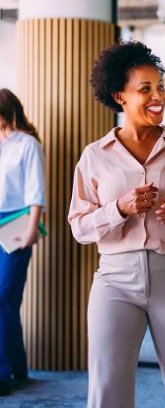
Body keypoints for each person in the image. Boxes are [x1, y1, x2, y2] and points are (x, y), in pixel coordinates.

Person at [67, 42, 165, 408]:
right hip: (115, 281)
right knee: (107, 392)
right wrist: (119, 207)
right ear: (120, 96)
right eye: (145, 89)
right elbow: (80, 227)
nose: (158, 96)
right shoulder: (94, 156)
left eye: (160, 86)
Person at [0, 88, 45, 396]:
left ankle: (4, 373)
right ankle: (17, 367)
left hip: (16, 225)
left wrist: (32, 229)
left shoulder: (28, 144)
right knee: (6, 303)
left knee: (3, 295)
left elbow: (36, 190)